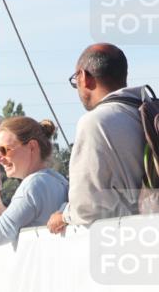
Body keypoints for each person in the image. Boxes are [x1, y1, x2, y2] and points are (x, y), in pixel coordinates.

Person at [47, 43, 146, 233]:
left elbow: (86, 205)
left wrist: (64, 216)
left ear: (83, 77)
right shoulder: (145, 111)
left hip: (129, 238)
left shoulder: (95, 122)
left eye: (75, 80)